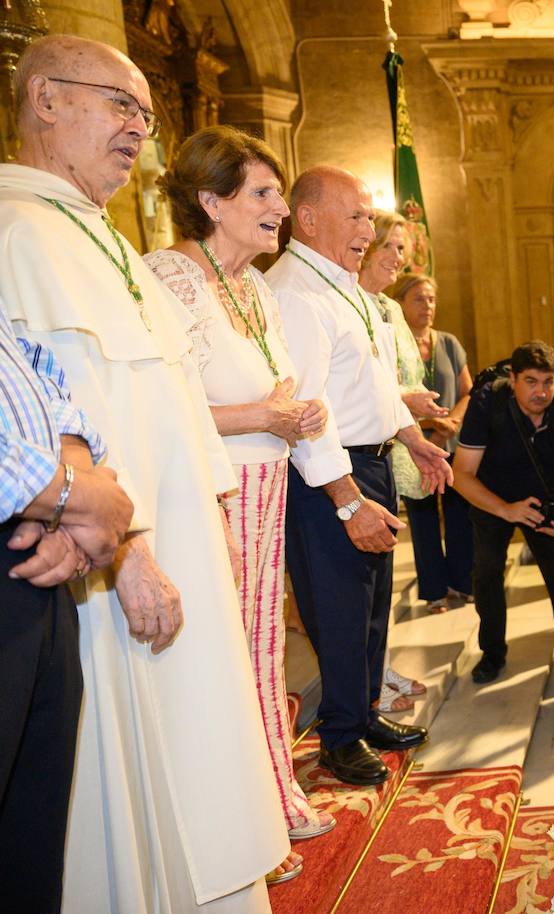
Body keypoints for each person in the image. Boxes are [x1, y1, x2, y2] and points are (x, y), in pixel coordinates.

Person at [0, 34, 287, 911]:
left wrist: (204, 521)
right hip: (111, 569)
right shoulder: (16, 231)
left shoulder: (105, 240)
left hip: (176, 546)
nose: (138, 129)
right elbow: (51, 418)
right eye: (121, 104)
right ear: (46, 99)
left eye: (146, 115)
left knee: (203, 765)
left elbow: (168, 400)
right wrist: (128, 553)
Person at [143, 125, 333, 885]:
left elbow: (274, 386)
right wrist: (263, 415)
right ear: (211, 201)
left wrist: (296, 412)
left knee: (260, 650)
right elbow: (161, 402)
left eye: (278, 193)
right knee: (216, 659)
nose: (280, 208)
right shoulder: (168, 277)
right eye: (263, 193)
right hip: (208, 491)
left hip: (266, 484)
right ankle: (228, 828)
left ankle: (271, 798)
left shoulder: (254, 285)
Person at [266, 165, 452, 786]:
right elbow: (308, 409)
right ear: (308, 218)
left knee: (371, 606)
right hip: (328, 477)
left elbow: (371, 385)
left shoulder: (342, 286)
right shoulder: (296, 293)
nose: (368, 232)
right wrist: (347, 502)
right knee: (340, 610)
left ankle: (365, 714)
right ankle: (341, 738)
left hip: (370, 462)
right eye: (356, 217)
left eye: (369, 218)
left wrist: (414, 441)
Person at [0, 308, 133, 913]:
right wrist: (73, 498)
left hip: (35, 550)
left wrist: (68, 507)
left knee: (30, 840)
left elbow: (40, 374)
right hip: (27, 522)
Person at [453, 341, 554, 689]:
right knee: (487, 572)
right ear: (513, 379)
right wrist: (506, 510)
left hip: (544, 496)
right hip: (491, 496)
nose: (541, 391)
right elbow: (461, 475)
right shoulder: (486, 403)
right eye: (531, 381)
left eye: (548, 381)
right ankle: (492, 654)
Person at [356, 212, 440, 712]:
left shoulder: (388, 307)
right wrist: (408, 401)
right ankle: (366, 684)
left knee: (383, 577)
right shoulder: (346, 298)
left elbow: (398, 376)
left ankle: (379, 666)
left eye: (402, 249)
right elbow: (362, 388)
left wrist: (414, 411)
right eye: (387, 245)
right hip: (355, 451)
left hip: (390, 445)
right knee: (363, 582)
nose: (396, 257)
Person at [386, 272, 474, 617]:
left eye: (432, 299)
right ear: (400, 303)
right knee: (423, 519)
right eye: (419, 299)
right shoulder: (393, 344)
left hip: (452, 441)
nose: (427, 306)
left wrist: (450, 424)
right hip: (413, 445)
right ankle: (435, 591)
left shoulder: (448, 342)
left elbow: (468, 392)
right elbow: (391, 397)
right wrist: (429, 428)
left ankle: (462, 582)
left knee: (459, 513)